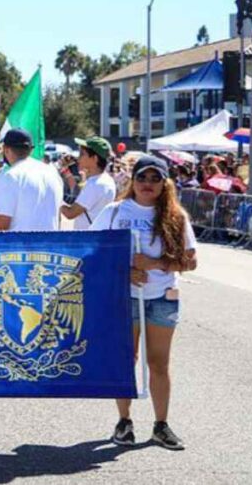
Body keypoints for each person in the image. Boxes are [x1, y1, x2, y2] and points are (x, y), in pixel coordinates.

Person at [91, 155, 197, 450]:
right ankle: (124, 422)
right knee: (126, 360)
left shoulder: (176, 217)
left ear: (165, 184)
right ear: (132, 180)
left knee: (159, 364)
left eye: (155, 179)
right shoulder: (114, 212)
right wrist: (123, 270)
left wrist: (153, 263)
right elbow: (91, 252)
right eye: (142, 178)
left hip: (162, 299)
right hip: (124, 299)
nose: (147, 184)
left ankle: (161, 425)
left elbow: (190, 261)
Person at [0, 129, 64, 231]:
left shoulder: (10, 176)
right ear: (31, 150)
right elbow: (58, 217)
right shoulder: (52, 173)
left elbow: (1, 224)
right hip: (49, 244)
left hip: (20, 245)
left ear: (6, 149)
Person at [60, 136, 116, 230]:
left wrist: (56, 200)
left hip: (89, 239)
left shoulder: (96, 185)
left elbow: (70, 213)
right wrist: (66, 167)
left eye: (82, 154)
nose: (78, 158)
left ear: (95, 158)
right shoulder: (104, 180)